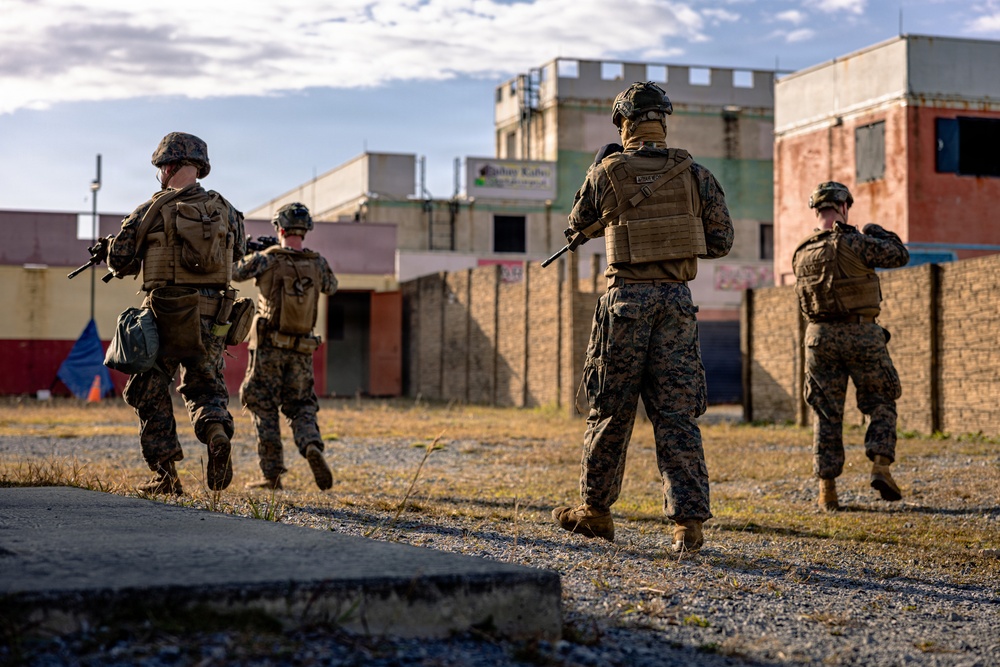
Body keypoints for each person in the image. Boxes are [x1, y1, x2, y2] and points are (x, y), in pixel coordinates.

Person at [551, 81, 734, 552]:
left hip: (626, 303)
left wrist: (597, 170)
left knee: (610, 410)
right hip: (676, 303)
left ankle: (595, 512)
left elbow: (576, 225)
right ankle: (687, 524)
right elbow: (720, 242)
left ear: (624, 123)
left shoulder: (608, 172)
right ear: (663, 121)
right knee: (677, 415)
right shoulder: (695, 174)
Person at [105, 132, 247, 494]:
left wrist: (111, 247)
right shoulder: (227, 210)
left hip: (166, 314)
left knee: (147, 389)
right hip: (214, 317)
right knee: (207, 389)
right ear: (199, 166)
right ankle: (216, 434)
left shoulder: (150, 210)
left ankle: (166, 477)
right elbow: (238, 256)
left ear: (167, 166)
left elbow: (120, 262)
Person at [792, 181, 909, 511]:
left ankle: (827, 490)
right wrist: (876, 230)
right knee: (881, 399)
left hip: (818, 338)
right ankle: (880, 466)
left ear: (816, 210)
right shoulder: (858, 242)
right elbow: (899, 255)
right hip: (861, 334)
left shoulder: (801, 252)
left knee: (825, 412)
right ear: (844, 207)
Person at [233, 203, 337, 491]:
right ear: (305, 230)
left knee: (261, 404)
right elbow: (332, 286)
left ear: (279, 228)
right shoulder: (318, 263)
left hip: (269, 348)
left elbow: (235, 272)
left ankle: (272, 474)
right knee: (301, 404)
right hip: (302, 349)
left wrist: (249, 251)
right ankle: (311, 446)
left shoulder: (267, 259)